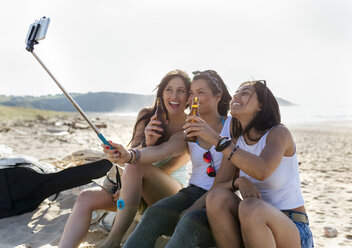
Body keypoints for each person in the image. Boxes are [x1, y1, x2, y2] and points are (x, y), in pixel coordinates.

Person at [58, 69, 191, 248]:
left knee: (136, 167)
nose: (174, 95)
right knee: (85, 198)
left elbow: (168, 165)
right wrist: (147, 142)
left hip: (168, 191)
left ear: (188, 96)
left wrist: (130, 182)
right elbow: (132, 152)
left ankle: (112, 241)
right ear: (162, 92)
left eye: (181, 90)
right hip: (134, 185)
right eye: (169, 89)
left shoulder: (190, 125)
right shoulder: (147, 115)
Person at [105, 70, 232, 248]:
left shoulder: (232, 126)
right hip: (191, 192)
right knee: (153, 213)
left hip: (219, 198)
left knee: (189, 221)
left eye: (200, 93)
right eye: (191, 93)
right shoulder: (189, 129)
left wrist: (195, 206)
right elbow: (163, 151)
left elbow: (233, 173)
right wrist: (129, 155)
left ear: (218, 96)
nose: (193, 98)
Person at [198, 80, 314, 247]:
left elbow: (262, 170)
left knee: (251, 207)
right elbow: (216, 189)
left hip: (292, 226)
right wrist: (238, 182)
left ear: (261, 105)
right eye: (236, 92)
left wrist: (218, 141)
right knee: (217, 198)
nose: (236, 95)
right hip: (252, 224)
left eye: (245, 93)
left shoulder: (278, 133)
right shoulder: (236, 142)